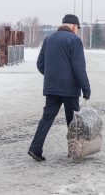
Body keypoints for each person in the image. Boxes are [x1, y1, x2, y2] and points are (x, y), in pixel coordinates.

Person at [28, 14, 91, 161]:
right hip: (70, 89)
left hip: (51, 87)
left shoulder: (48, 39)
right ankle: (74, 152)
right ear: (74, 26)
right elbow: (79, 68)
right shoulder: (74, 40)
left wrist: (52, 76)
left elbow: (40, 64)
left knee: (47, 118)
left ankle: (35, 149)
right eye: (77, 28)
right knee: (73, 121)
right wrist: (86, 88)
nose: (77, 31)